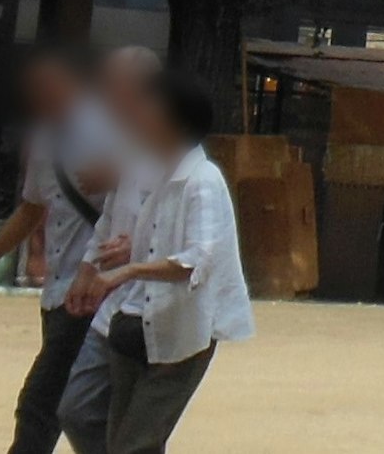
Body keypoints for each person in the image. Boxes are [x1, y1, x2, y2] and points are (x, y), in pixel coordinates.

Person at [66, 55, 254, 453]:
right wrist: (119, 257)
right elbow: (154, 239)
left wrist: (128, 270)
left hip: (181, 334)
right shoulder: (159, 172)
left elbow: (198, 259)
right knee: (123, 441)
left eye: (150, 106)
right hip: (136, 326)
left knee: (134, 444)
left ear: (176, 121)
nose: (139, 114)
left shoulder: (203, 180)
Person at [0, 47, 130, 454]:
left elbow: (155, 184)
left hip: (94, 290)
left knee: (42, 401)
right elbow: (33, 207)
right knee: (72, 404)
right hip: (58, 291)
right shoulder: (46, 139)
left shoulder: (112, 128)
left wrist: (122, 172)